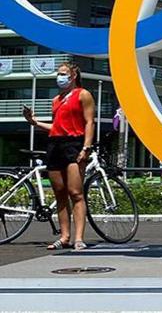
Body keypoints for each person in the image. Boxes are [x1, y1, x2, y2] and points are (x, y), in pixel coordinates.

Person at [22, 62, 95, 251]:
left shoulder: (83, 95)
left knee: (75, 193)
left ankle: (79, 238)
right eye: (58, 74)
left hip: (74, 144)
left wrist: (86, 147)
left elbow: (89, 122)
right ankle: (64, 237)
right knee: (60, 193)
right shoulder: (57, 99)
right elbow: (56, 127)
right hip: (55, 145)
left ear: (73, 76)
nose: (59, 77)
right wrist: (34, 121)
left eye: (63, 74)